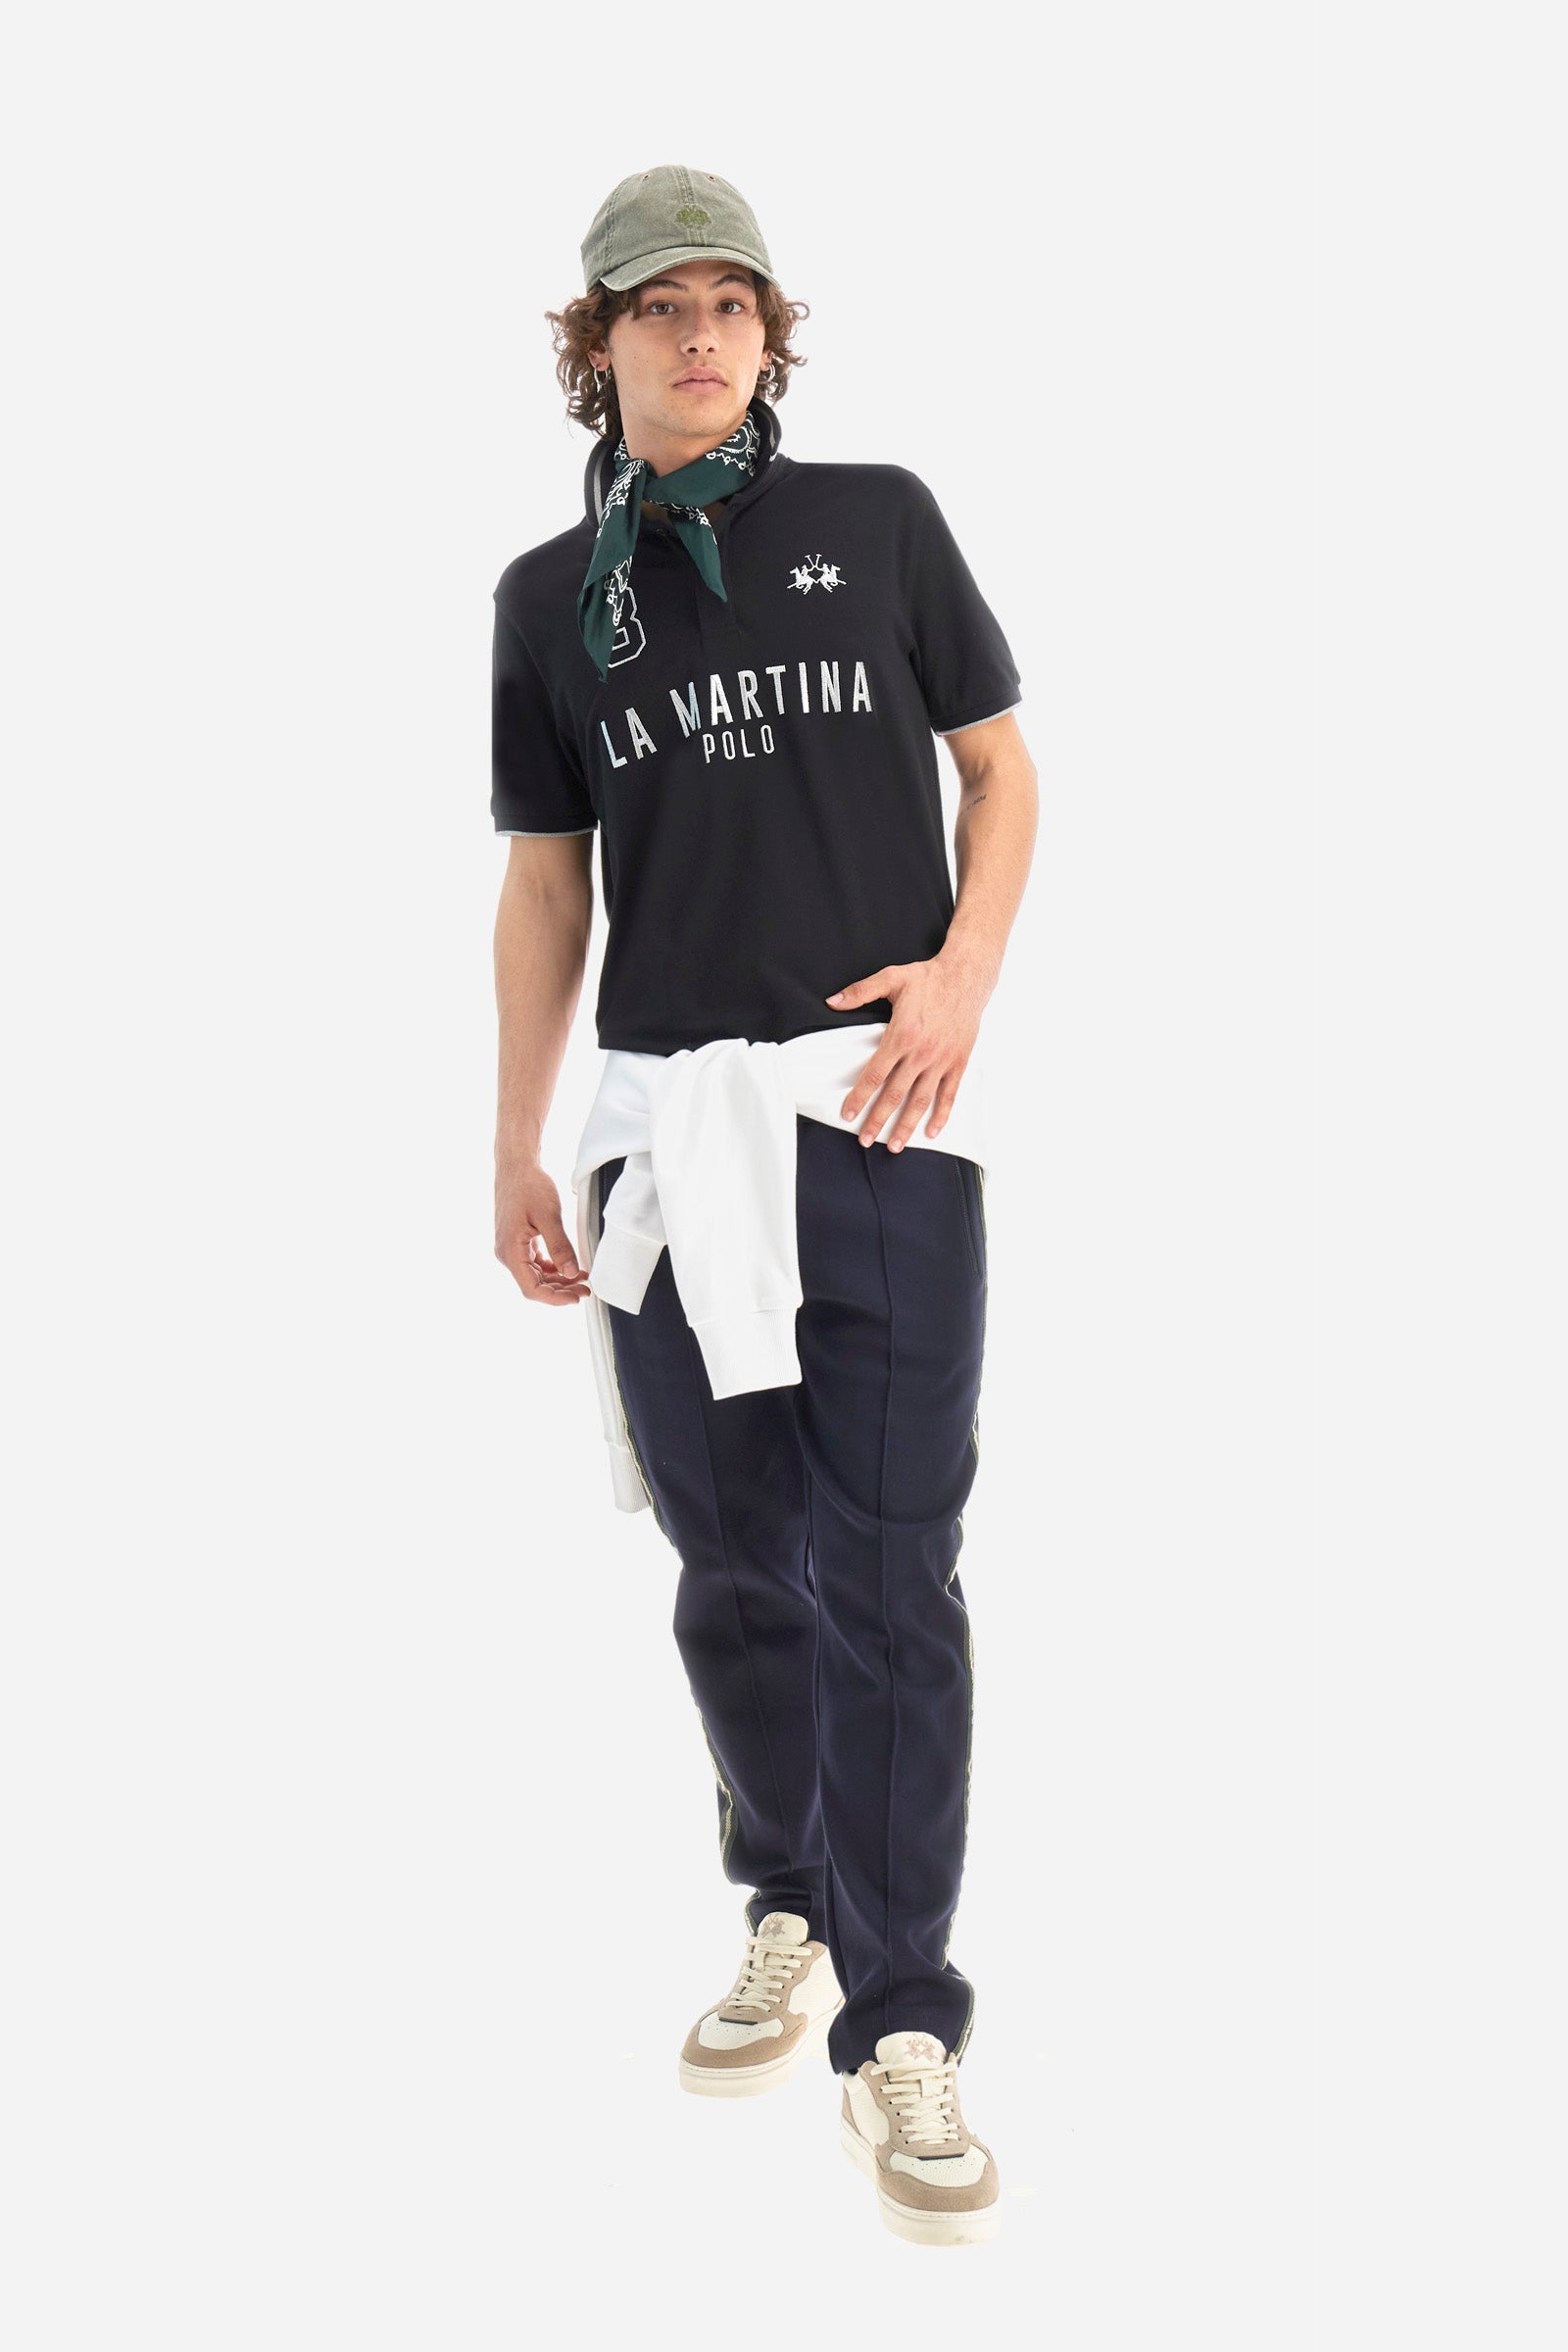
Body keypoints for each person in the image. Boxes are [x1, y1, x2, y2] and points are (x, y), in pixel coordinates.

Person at [490, 165, 1037, 2247]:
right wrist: (517, 1138)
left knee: (891, 1569)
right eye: (660, 306)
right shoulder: (550, 603)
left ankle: (901, 2023)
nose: (700, 333)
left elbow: (1001, 771)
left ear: (767, 334)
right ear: (600, 344)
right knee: (731, 1562)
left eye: (730, 302)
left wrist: (964, 972)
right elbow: (547, 885)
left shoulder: (879, 522)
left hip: (873, 1115)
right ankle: (788, 1897)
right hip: (657, 1134)